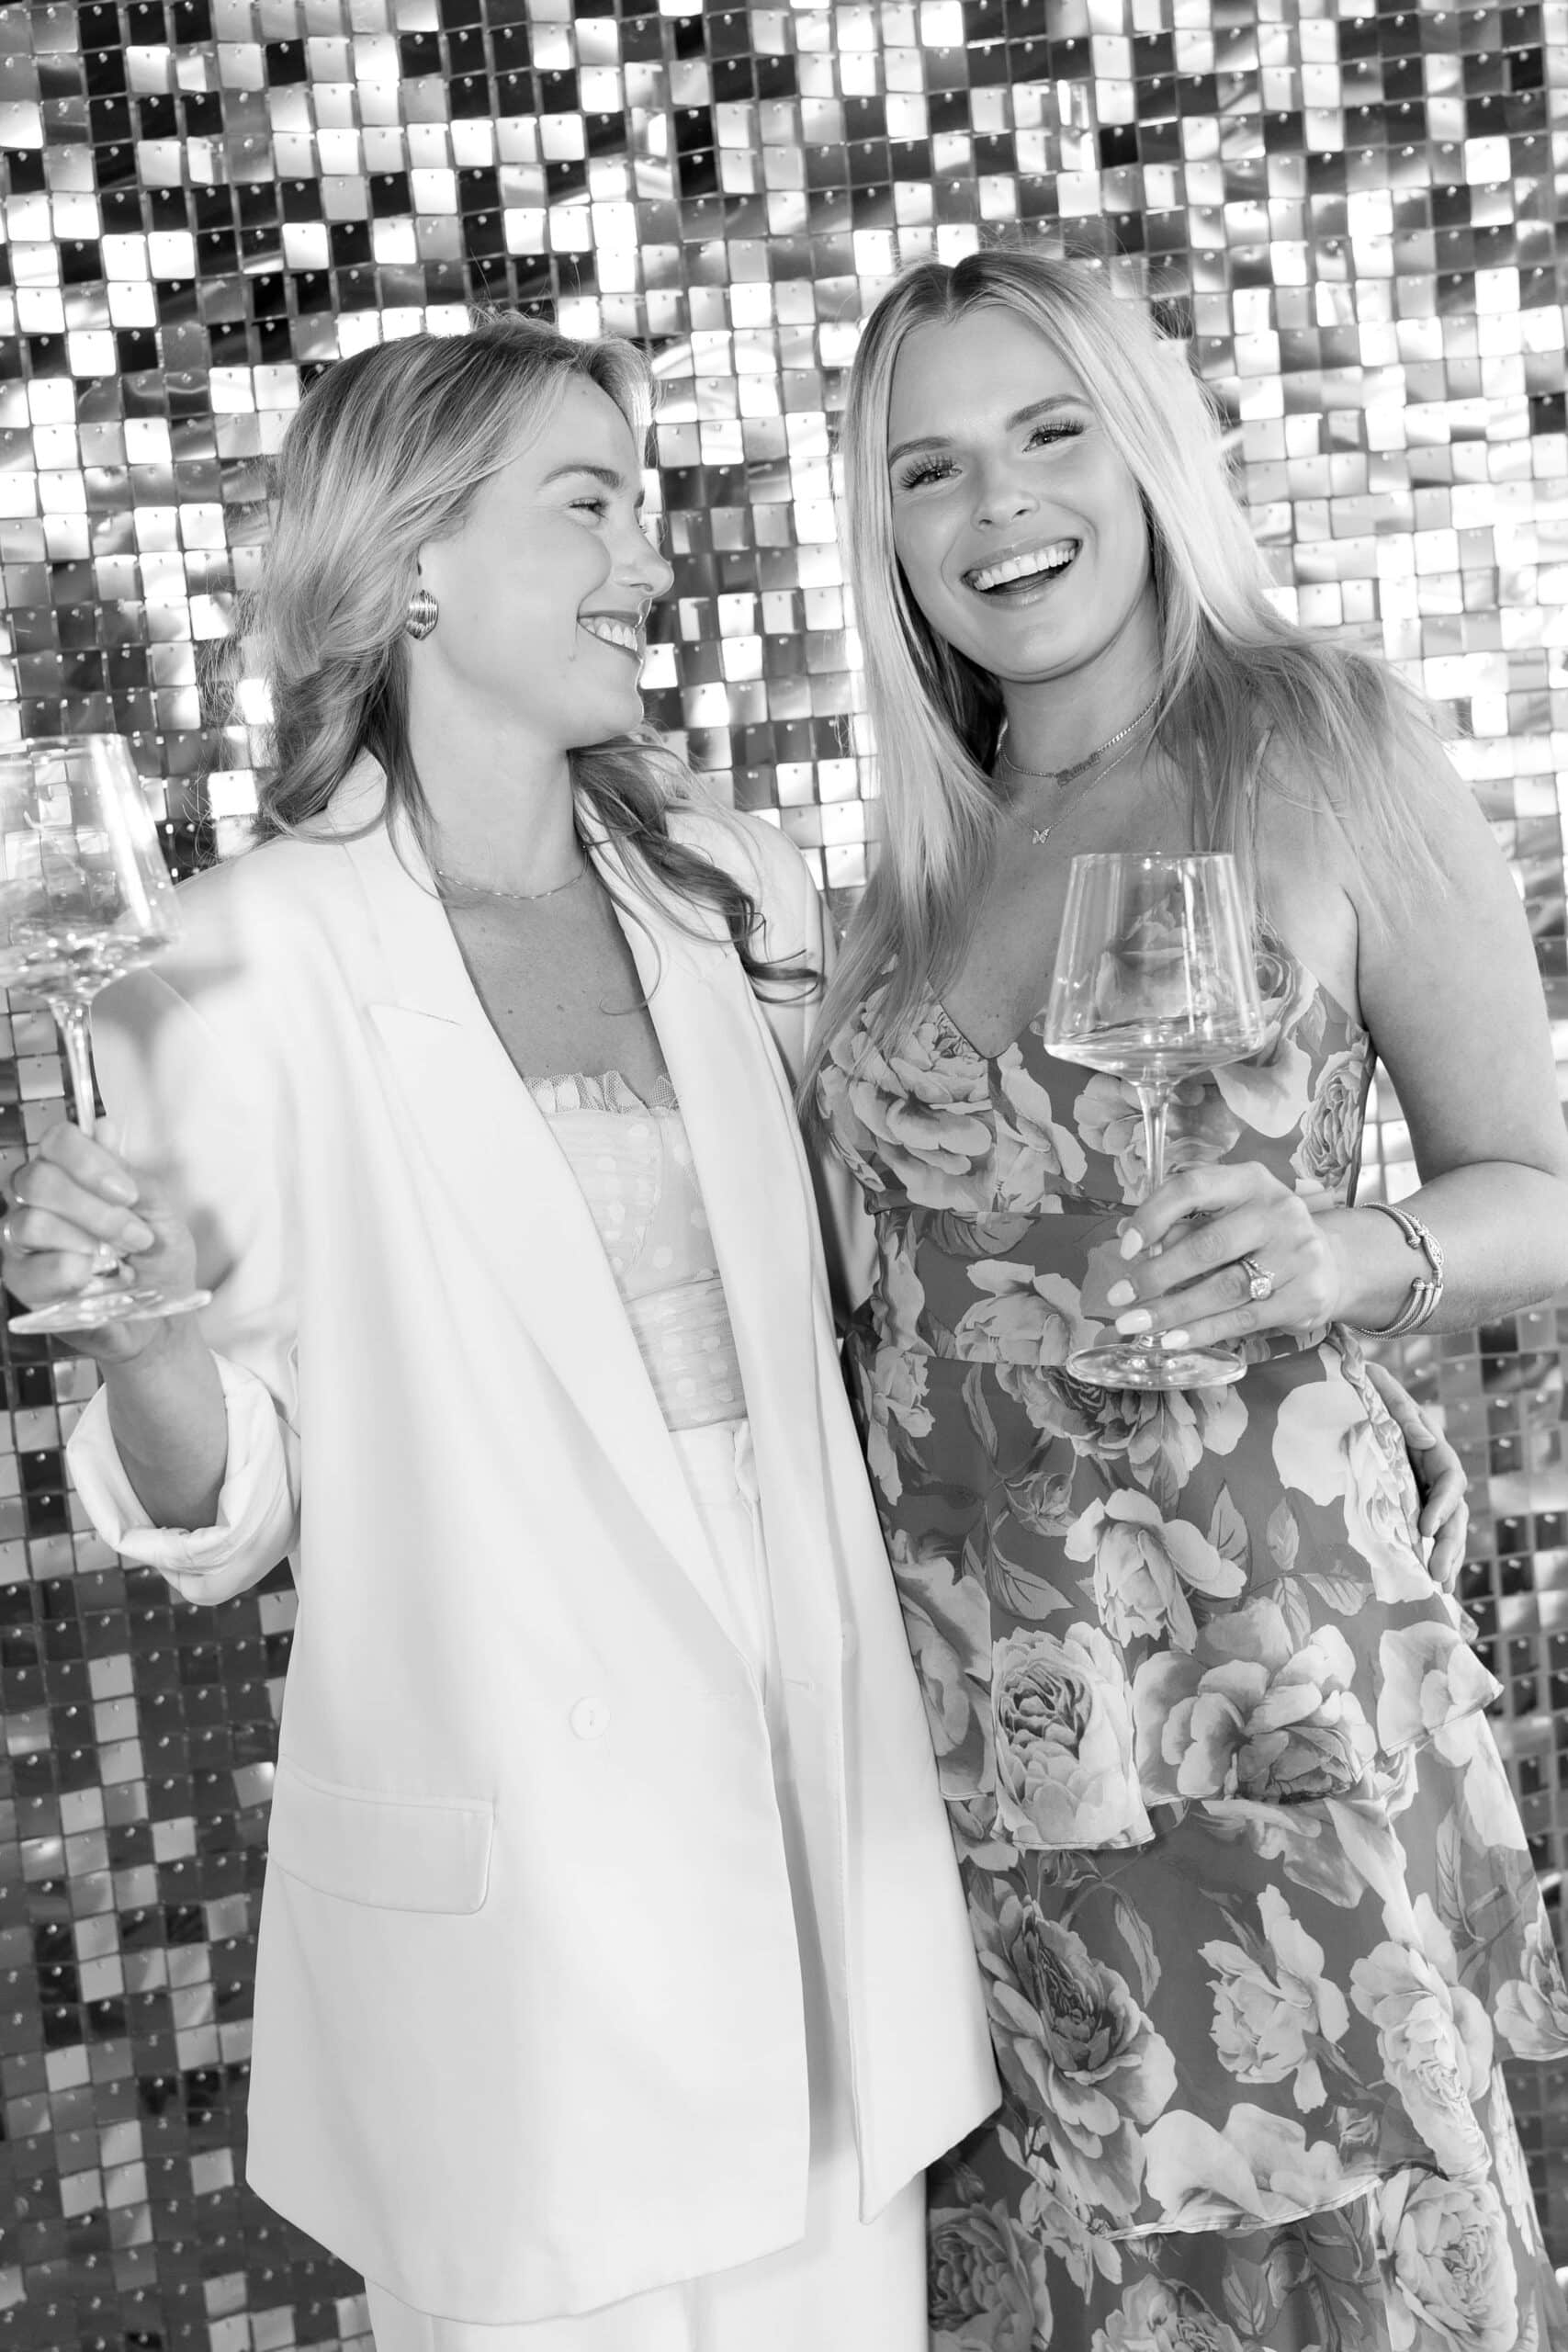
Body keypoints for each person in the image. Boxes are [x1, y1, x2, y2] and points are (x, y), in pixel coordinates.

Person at [0, 317, 1003, 2348]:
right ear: (416, 565)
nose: (644, 555)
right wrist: (132, 1331)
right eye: (588, 506)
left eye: (639, 503)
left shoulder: (733, 895)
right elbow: (218, 1512)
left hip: (819, 1841)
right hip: (524, 1934)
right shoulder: (226, 960)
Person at [807, 248, 1568, 2352]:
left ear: (1141, 449)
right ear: (883, 529)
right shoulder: (906, 863)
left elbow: (1536, 1190)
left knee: (1330, 2269)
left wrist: (1352, 1257)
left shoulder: (1317, 748)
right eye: (928, 465)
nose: (995, 508)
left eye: (1046, 431)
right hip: (971, 1733)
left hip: (1262, 1681)